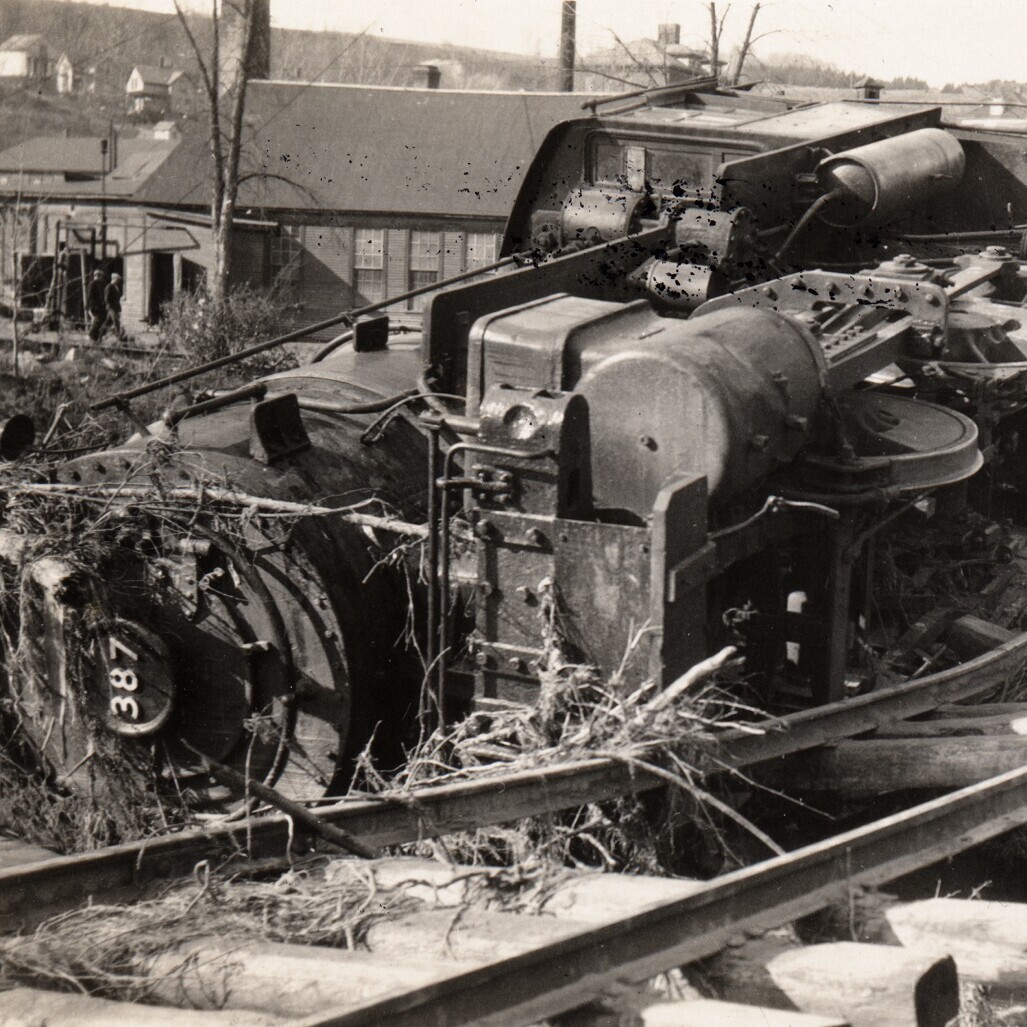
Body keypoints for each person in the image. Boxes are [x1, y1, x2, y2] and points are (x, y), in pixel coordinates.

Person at [103, 273, 127, 342]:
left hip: (115, 308)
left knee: (107, 322)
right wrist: (109, 307)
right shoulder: (109, 287)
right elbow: (106, 298)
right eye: (117, 280)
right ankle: (120, 338)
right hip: (111, 308)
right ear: (114, 279)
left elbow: (117, 298)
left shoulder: (115, 287)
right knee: (116, 322)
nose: (118, 281)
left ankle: (99, 334)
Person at [87, 270, 106, 341]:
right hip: (95, 307)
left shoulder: (99, 284)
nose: (102, 278)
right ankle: (92, 337)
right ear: (98, 276)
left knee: (99, 322)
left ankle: (96, 338)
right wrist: (92, 307)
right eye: (101, 276)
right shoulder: (93, 284)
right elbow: (91, 297)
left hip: (98, 307)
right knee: (96, 322)